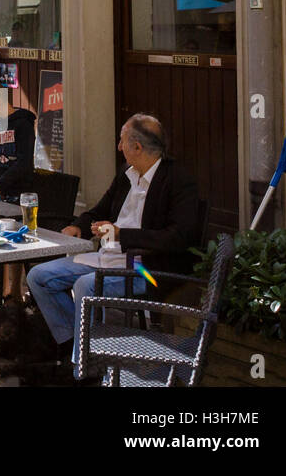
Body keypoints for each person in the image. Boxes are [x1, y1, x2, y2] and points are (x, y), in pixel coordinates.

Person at [25, 114, 201, 378]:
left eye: (122, 141)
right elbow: (100, 209)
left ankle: (82, 367)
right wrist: (79, 226)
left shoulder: (177, 180)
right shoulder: (126, 173)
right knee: (38, 276)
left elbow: (178, 237)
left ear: (137, 147)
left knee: (85, 285)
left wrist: (124, 236)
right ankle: (79, 347)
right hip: (109, 257)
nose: (119, 147)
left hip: (147, 269)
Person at [0, 80, 37, 302]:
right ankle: (1, 289)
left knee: (13, 240)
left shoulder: (22, 124)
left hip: (19, 193)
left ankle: (14, 292)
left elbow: (23, 163)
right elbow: (3, 154)